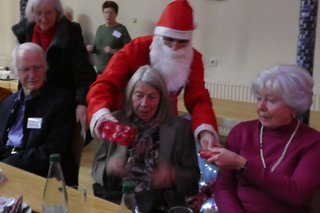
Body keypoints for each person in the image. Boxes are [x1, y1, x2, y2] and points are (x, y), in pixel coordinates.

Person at [87, 0, 220, 150]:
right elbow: (105, 83)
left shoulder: (193, 59)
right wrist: (101, 114)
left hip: (165, 121)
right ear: (159, 35)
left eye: (182, 42)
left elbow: (198, 99)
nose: (175, 47)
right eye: (169, 39)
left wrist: (205, 131)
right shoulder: (135, 49)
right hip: (127, 120)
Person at [208, 64, 320, 212]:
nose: (261, 106)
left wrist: (243, 165)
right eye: (259, 98)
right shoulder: (241, 132)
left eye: (271, 101)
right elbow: (223, 188)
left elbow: (296, 194)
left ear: (293, 105)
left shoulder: (312, 142)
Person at [92, 65, 200, 212]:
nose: (144, 104)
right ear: (130, 95)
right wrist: (108, 167)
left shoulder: (180, 128)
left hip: (162, 203)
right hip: (119, 199)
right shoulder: (115, 121)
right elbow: (96, 168)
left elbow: (193, 180)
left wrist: (172, 175)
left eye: (151, 97)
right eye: (139, 95)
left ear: (161, 98)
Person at [12, 0, 97, 140]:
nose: (43, 19)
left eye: (48, 13)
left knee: (56, 143)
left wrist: (82, 102)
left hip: (62, 102)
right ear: (32, 13)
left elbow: (83, 72)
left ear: (57, 13)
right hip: (33, 98)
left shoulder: (70, 32)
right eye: (38, 13)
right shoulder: (25, 31)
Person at [0, 42, 78, 186]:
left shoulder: (61, 101)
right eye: (25, 69)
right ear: (16, 72)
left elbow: (53, 150)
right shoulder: (8, 102)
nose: (32, 75)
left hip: (40, 177)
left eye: (37, 68)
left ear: (45, 68)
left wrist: (7, 165)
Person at [86, 1, 131, 74]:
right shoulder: (100, 29)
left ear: (116, 14)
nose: (108, 15)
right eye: (106, 12)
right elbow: (96, 48)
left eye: (111, 12)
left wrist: (114, 51)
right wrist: (91, 49)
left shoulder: (121, 29)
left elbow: (129, 50)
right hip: (100, 71)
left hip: (114, 71)